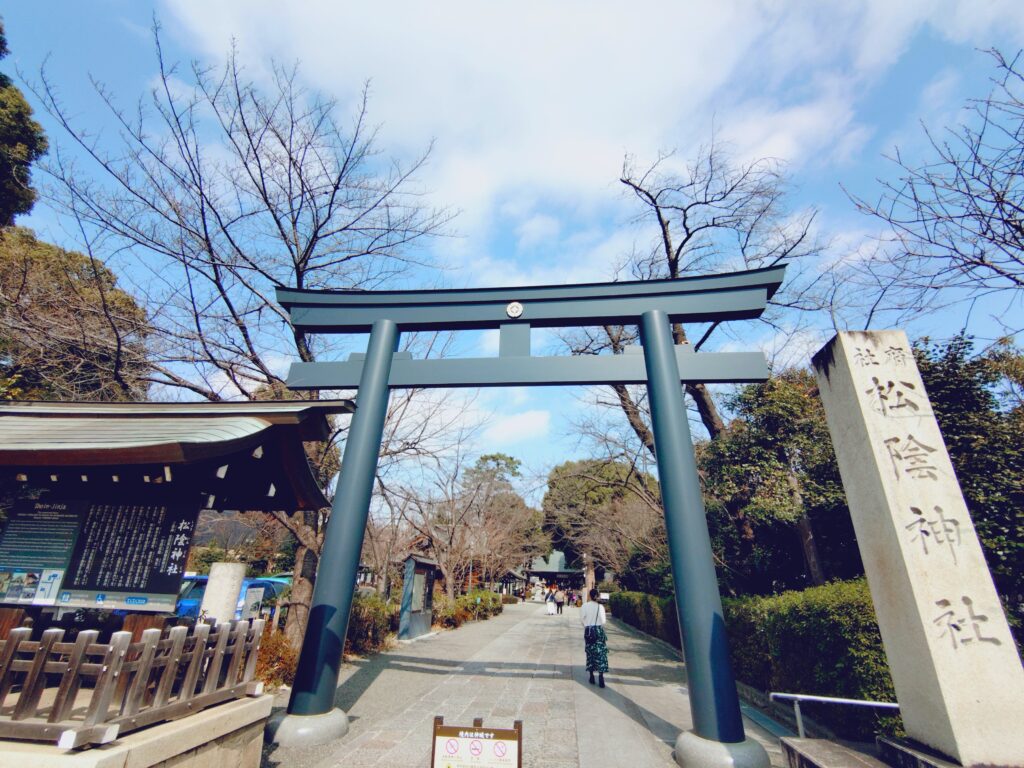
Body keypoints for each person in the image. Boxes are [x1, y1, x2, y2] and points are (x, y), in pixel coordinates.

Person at [580, 588, 608, 687]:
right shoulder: (600, 607)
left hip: (588, 631)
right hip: (598, 631)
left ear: (589, 596)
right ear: (597, 596)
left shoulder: (585, 606)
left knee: (590, 653)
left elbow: (582, 619)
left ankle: (591, 675)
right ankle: (601, 676)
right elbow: (603, 621)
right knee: (601, 653)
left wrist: (587, 625)